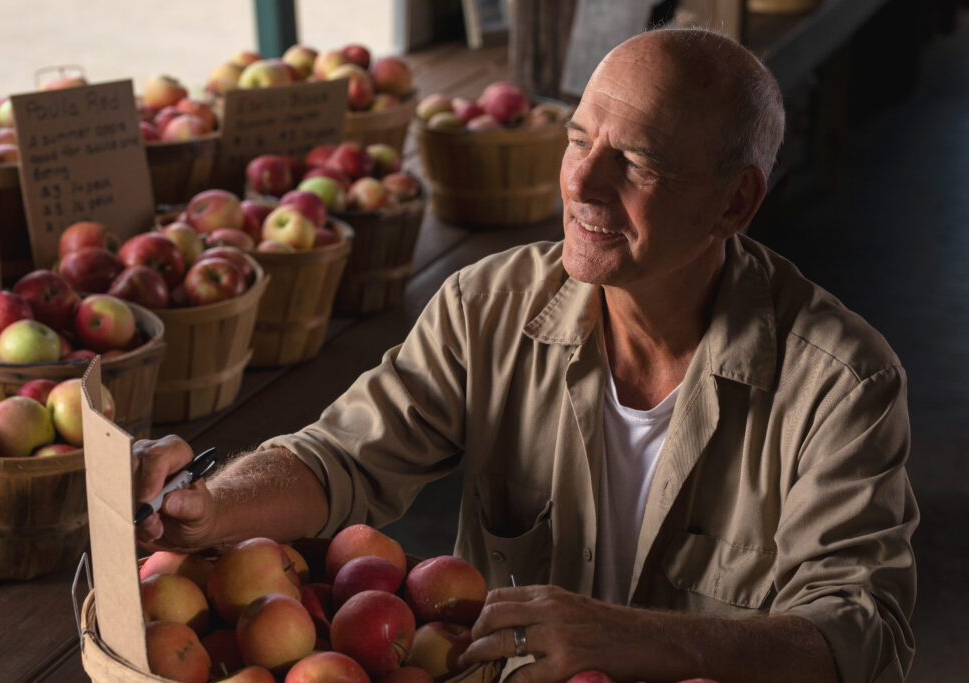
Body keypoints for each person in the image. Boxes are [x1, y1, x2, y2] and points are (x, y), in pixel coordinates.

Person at [134, 27, 917, 683]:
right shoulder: (490, 305)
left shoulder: (841, 383)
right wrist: (213, 506)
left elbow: (860, 634)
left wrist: (629, 638)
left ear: (735, 201)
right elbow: (345, 457)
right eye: (579, 139)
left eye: (635, 162)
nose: (580, 179)